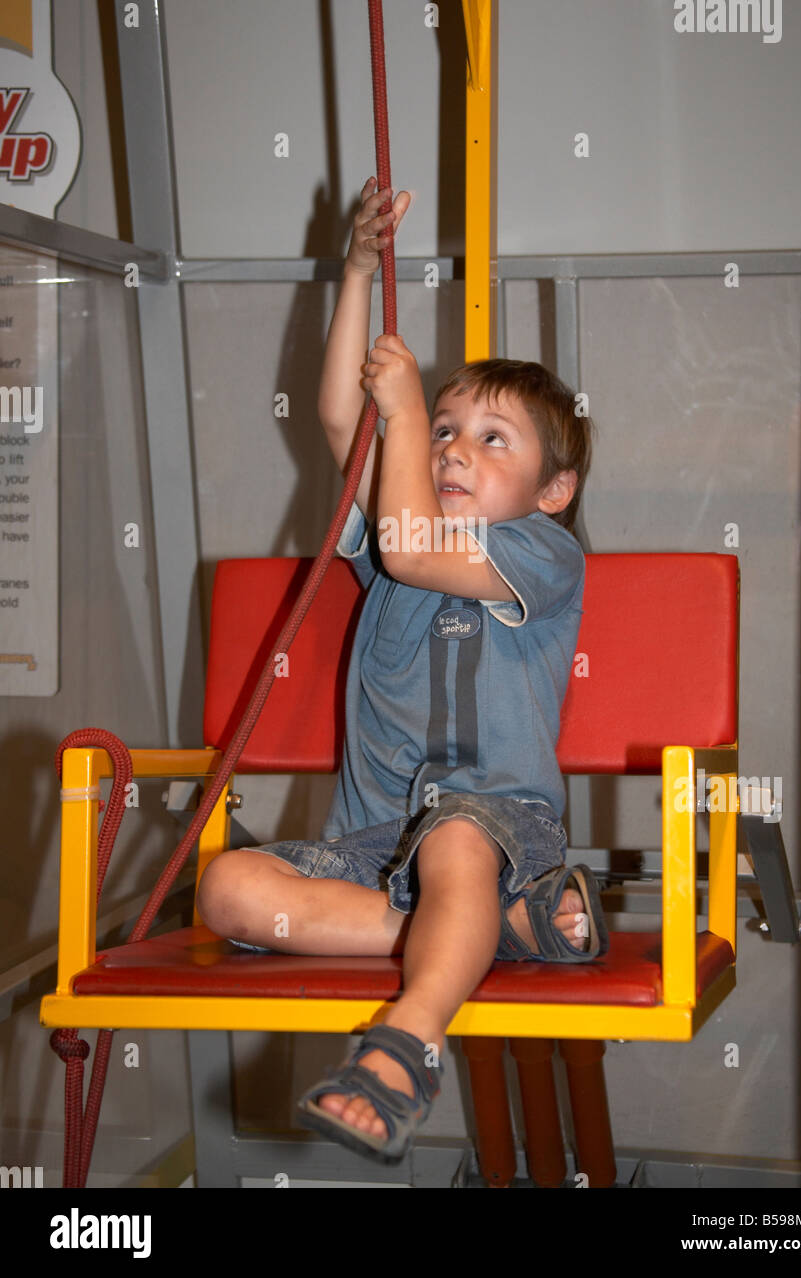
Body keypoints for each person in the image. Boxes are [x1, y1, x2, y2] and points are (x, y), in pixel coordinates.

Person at [195, 177, 609, 1164]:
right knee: (228, 889)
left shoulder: (537, 555)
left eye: (490, 439)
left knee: (455, 846)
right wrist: (352, 270)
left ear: (553, 490)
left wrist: (410, 417)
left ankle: (403, 1044)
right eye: (449, 430)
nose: (456, 447)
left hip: (500, 825)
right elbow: (345, 428)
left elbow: (418, 537)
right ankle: (498, 931)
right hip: (375, 849)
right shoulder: (385, 546)